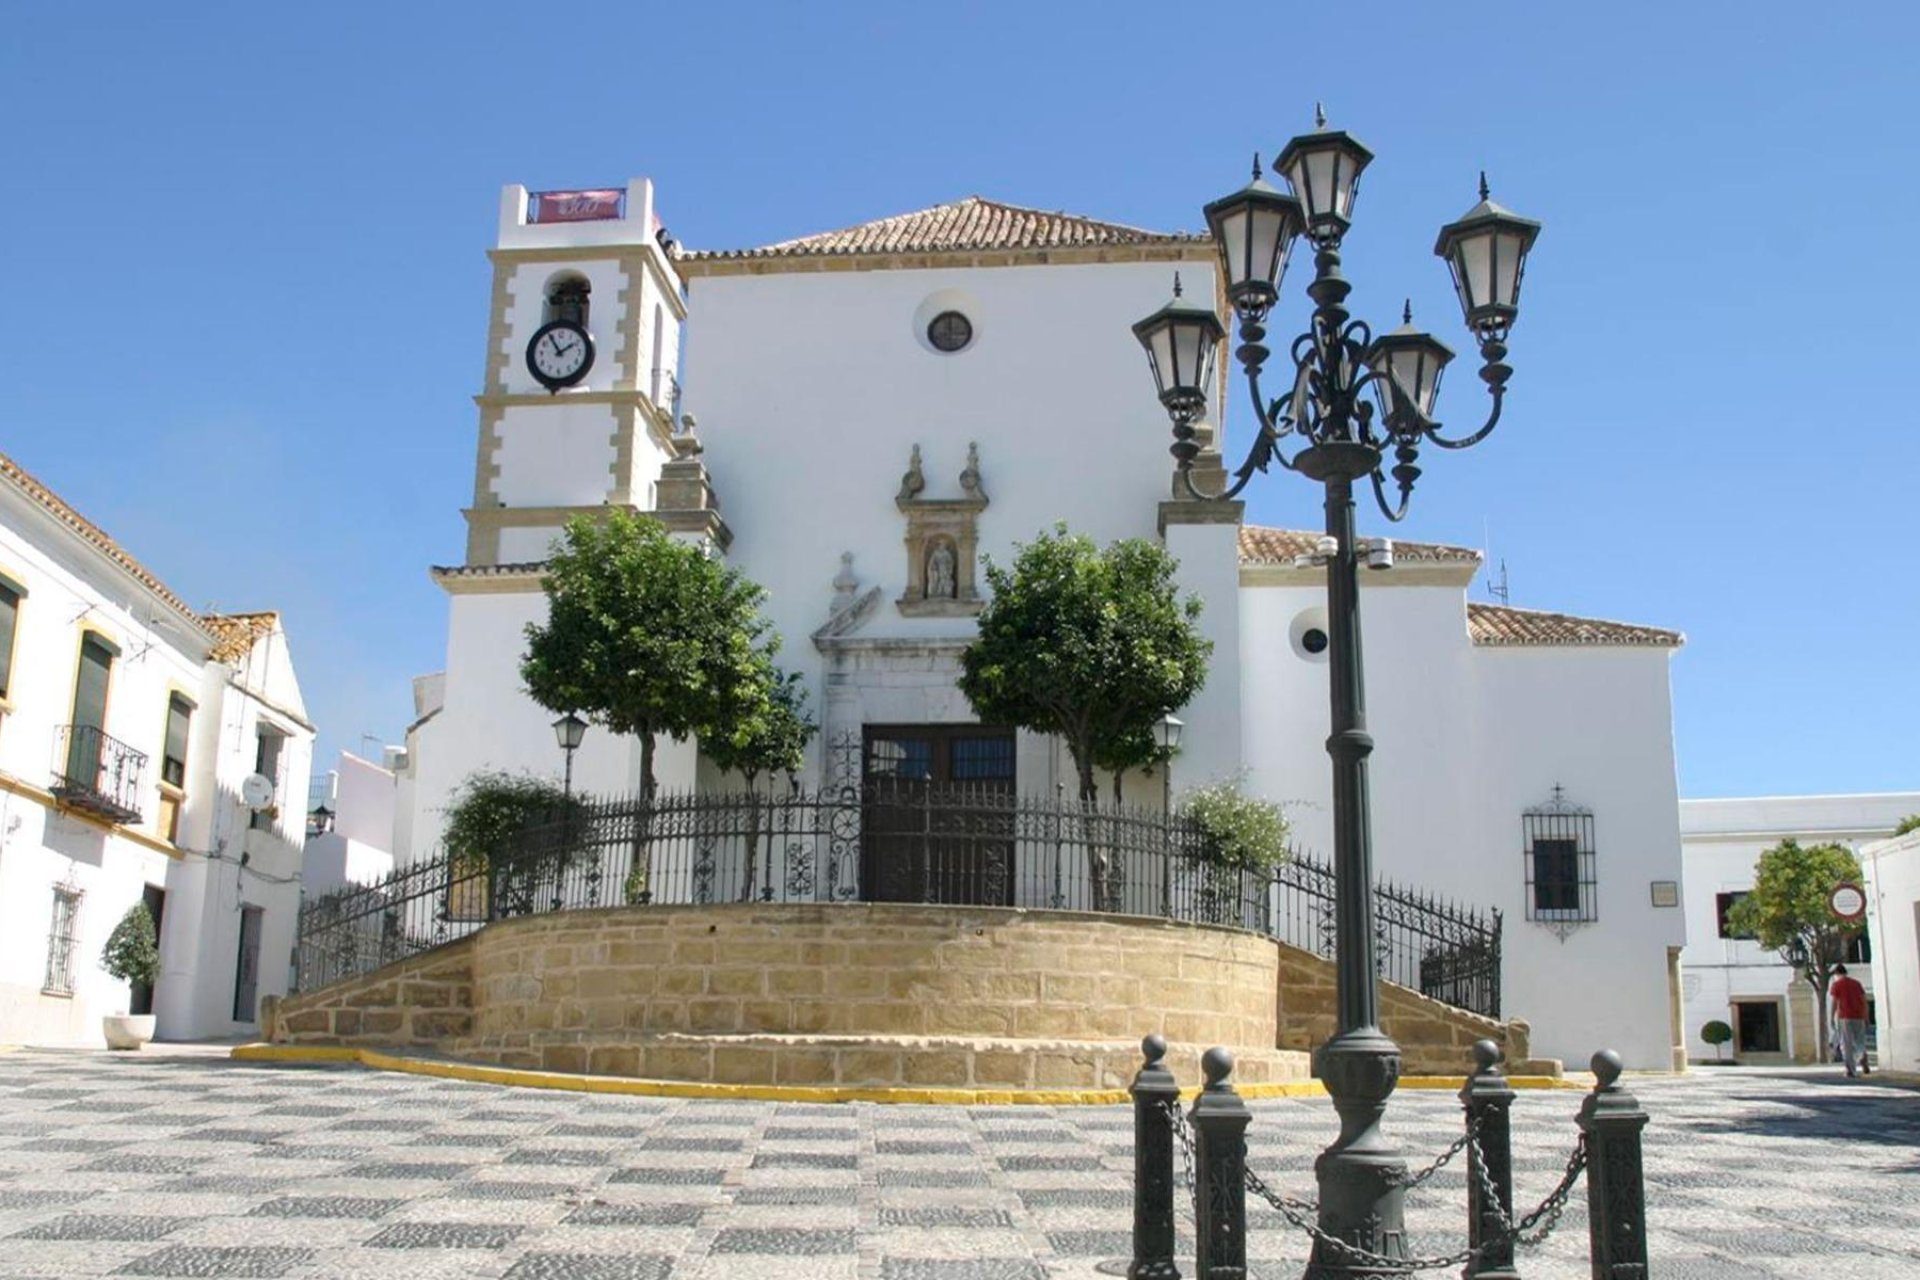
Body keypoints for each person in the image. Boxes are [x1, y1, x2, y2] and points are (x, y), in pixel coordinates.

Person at [1830, 963, 1870, 1077]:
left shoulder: (1836, 985)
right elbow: (1864, 1001)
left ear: (1837, 974)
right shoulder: (1857, 984)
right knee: (1860, 1041)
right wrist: (1866, 1017)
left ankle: (1850, 1070)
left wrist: (1832, 1017)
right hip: (1859, 1016)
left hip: (1845, 1017)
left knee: (1846, 1044)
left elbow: (1834, 1002)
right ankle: (1861, 1055)